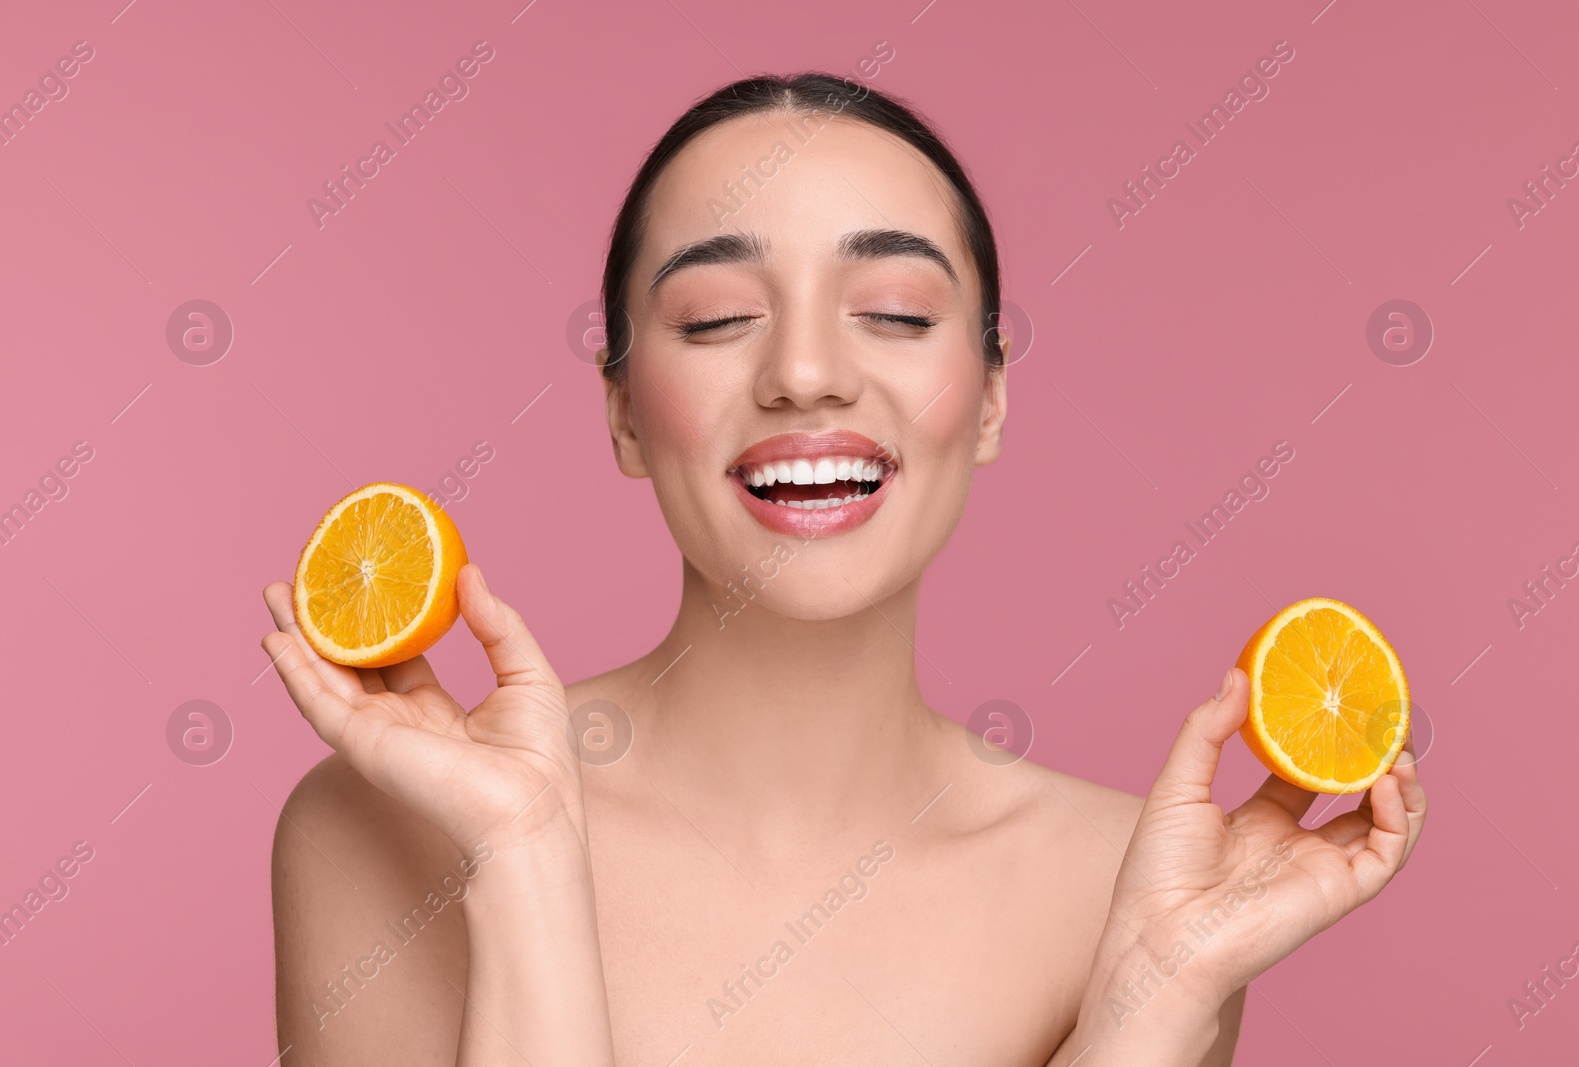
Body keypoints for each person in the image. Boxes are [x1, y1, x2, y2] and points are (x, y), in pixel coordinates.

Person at [260, 72, 1426, 1066]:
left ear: (990, 400)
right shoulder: (389, 830)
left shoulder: (1140, 888)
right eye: (717, 317)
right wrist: (519, 856)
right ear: (620, 411)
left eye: (896, 311)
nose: (806, 371)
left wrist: (1159, 988)